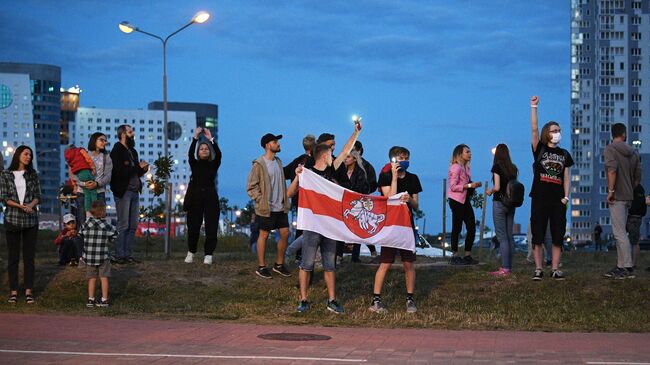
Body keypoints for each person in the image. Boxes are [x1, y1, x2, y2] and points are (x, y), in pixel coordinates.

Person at [286, 120, 362, 313]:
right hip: (312, 226)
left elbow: (345, 151)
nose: (333, 157)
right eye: (330, 154)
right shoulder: (308, 173)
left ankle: (332, 300)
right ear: (324, 155)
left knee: (330, 265)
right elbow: (290, 193)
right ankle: (303, 300)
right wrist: (297, 176)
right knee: (307, 264)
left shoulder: (332, 170)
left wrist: (356, 133)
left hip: (329, 227)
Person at [369, 146, 422, 314]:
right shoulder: (384, 176)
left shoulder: (413, 178)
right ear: (393, 160)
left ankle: (410, 299)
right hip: (390, 224)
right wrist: (393, 176)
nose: (404, 160)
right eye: (400, 157)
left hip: (406, 224)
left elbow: (416, 204)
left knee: (408, 263)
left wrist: (409, 200)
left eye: (406, 157)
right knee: (385, 262)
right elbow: (389, 198)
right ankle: (376, 299)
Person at [529, 95, 573, 281]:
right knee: (537, 234)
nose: (557, 132)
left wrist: (566, 197)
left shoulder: (564, 154)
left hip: (557, 200)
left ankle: (555, 268)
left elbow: (567, 177)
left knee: (557, 234)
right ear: (548, 133)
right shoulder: (539, 149)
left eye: (559, 130)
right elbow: (534, 128)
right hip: (540, 197)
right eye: (554, 130)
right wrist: (534, 107)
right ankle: (538, 268)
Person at [246, 133, 292, 279]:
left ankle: (279, 264)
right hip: (266, 207)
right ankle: (261, 267)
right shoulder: (259, 164)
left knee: (285, 233)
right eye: (274, 142)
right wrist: (260, 200)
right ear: (267, 145)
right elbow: (251, 186)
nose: (278, 144)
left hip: (280, 206)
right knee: (264, 235)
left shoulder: (278, 162)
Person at [0, 145, 40, 304]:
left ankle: (29, 290)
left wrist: (31, 205)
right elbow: (3, 197)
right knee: (13, 257)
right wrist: (20, 206)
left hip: (31, 220)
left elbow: (38, 195)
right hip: (13, 219)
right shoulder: (5, 174)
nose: (28, 157)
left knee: (29, 258)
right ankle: (14, 291)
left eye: (30, 155)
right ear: (18, 155)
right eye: (25, 154)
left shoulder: (33, 175)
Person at [603, 123, 642, 279]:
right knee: (621, 232)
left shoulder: (610, 149)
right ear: (624, 134)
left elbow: (612, 170)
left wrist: (611, 191)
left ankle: (627, 267)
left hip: (617, 195)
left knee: (619, 233)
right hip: (628, 196)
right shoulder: (633, 153)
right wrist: (629, 188)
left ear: (613, 134)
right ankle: (620, 265)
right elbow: (637, 178)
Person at [110, 125, 149, 265]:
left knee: (133, 225)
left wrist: (142, 170)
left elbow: (134, 172)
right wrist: (137, 168)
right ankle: (119, 255)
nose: (133, 134)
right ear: (123, 134)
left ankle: (127, 254)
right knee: (123, 224)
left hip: (134, 191)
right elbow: (120, 172)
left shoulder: (132, 151)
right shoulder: (116, 151)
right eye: (130, 132)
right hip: (123, 192)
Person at [184, 127, 222, 265]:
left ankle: (208, 254)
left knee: (211, 226)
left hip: (211, 197)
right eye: (201, 149)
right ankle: (191, 252)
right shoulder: (194, 164)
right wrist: (195, 138)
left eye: (206, 148)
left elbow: (218, 155)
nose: (204, 150)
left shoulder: (213, 164)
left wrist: (211, 139)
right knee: (193, 226)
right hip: (195, 197)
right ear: (198, 152)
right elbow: (189, 154)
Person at [486, 144, 519, 277]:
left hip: (499, 203)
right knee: (509, 236)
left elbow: (497, 187)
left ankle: (505, 269)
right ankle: (509, 266)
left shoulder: (497, 167)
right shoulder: (513, 168)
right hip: (511, 204)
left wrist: (490, 191)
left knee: (502, 237)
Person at [79, 200, 117, 308]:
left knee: (91, 278)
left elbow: (80, 235)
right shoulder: (106, 225)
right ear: (103, 212)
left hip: (89, 256)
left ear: (91, 211)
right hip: (103, 257)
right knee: (104, 277)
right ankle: (104, 300)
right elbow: (115, 235)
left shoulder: (85, 224)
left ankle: (91, 299)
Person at [447, 144, 481, 265]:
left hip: (464, 200)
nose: (470, 154)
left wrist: (472, 185)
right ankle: (455, 255)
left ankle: (467, 255)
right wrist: (469, 186)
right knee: (457, 227)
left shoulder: (466, 167)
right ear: (460, 154)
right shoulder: (455, 167)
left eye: (470, 152)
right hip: (456, 200)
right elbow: (452, 186)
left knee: (471, 226)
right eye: (467, 152)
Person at [72, 133, 112, 226]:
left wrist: (97, 184)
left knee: (99, 223)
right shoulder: (83, 155)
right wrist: (84, 184)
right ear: (94, 140)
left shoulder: (106, 157)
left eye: (105, 141)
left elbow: (108, 176)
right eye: (101, 140)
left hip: (99, 193)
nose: (104, 142)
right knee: (82, 224)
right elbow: (75, 174)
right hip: (82, 193)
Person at [64, 145, 96, 215]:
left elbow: (71, 175)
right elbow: (88, 158)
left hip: (79, 175)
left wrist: (75, 187)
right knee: (93, 190)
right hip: (86, 171)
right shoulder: (80, 150)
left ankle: (87, 212)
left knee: (87, 193)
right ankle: (95, 208)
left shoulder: (69, 158)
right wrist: (93, 167)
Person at [627, 184, 646, 269]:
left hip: (632, 217)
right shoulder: (641, 188)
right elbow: (643, 204)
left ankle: (632, 264)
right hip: (638, 217)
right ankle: (632, 263)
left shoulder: (633, 187)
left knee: (633, 242)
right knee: (634, 242)